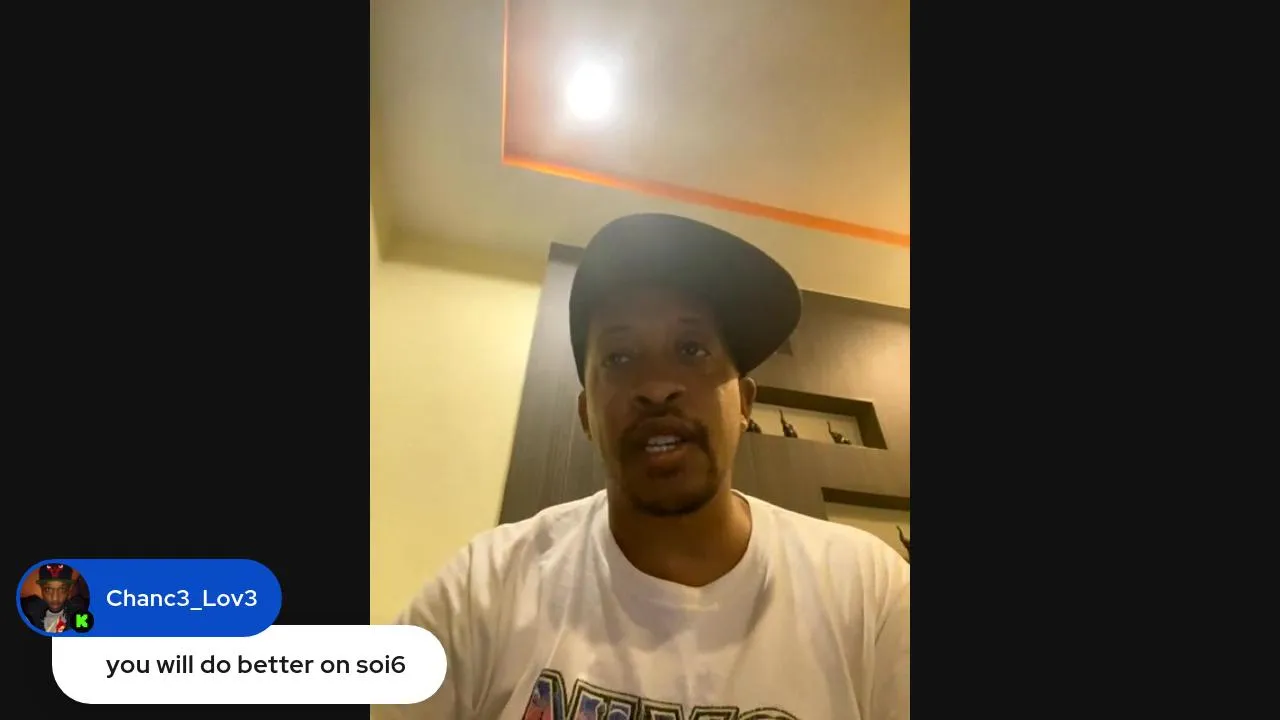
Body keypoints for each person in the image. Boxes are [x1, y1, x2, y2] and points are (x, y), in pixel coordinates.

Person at [378, 214, 910, 720]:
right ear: (586, 416)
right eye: (619, 358)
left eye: (692, 349)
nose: (656, 386)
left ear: (744, 404)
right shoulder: (485, 587)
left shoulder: (867, 590)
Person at [22, 563, 88, 633]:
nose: (55, 598)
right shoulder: (28, 609)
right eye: (48, 589)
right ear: (41, 590)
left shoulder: (80, 611)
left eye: (62, 589)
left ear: (68, 591)